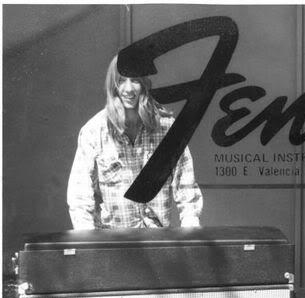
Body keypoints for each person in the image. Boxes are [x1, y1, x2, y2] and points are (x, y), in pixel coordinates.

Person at [67, 55, 203, 229]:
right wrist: (88, 247)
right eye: (122, 81)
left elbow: (186, 188)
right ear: (112, 85)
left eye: (135, 81)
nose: (128, 89)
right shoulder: (94, 131)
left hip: (157, 241)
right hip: (111, 243)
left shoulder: (168, 129)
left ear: (145, 84)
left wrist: (191, 234)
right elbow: (80, 196)